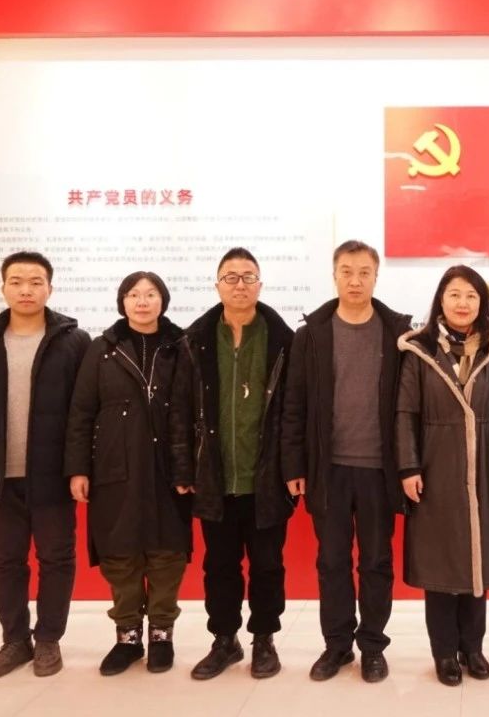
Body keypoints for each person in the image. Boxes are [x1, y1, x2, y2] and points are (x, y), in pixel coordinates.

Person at [0, 251, 91, 680]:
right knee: (5, 561)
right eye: (16, 281)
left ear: (50, 287)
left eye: (35, 281)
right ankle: (14, 641)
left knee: (57, 558)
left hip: (53, 476)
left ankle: (48, 639)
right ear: (3, 287)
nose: (26, 289)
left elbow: (85, 414)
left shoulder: (74, 342)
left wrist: (79, 468)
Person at [280, 240, 412, 683]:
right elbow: (294, 405)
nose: (355, 281)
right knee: (332, 561)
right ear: (334, 275)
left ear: (376, 277)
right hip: (328, 469)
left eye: (364, 272)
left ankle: (372, 646)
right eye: (347, 272)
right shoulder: (312, 334)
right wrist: (294, 466)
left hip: (379, 470)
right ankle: (337, 646)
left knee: (376, 561)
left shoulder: (397, 334)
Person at [395, 265, 489, 686]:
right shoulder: (418, 349)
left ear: (482, 303)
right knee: (440, 562)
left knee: (477, 560)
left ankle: (473, 648)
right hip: (436, 462)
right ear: (441, 300)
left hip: (486, 462)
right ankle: (444, 653)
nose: (462, 303)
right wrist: (409, 466)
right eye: (454, 294)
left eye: (471, 295)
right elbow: (405, 413)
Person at [65, 271, 196, 675]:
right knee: (120, 553)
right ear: (122, 301)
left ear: (163, 300)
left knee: (167, 553)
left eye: (150, 294)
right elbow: (81, 413)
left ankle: (161, 634)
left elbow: (194, 411)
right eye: (134, 294)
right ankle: (127, 638)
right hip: (113, 467)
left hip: (167, 467)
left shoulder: (181, 346)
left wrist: (188, 467)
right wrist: (78, 469)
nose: (142, 301)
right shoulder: (102, 349)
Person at [183, 248, 295, 681]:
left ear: (260, 284)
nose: (240, 284)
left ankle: (264, 639)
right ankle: (224, 640)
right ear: (217, 286)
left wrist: (294, 467)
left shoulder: (283, 340)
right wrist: (184, 468)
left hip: (265, 477)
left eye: (248, 276)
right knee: (219, 566)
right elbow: (182, 412)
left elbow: (294, 413)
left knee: (268, 565)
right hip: (214, 477)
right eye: (230, 277)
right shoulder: (195, 340)